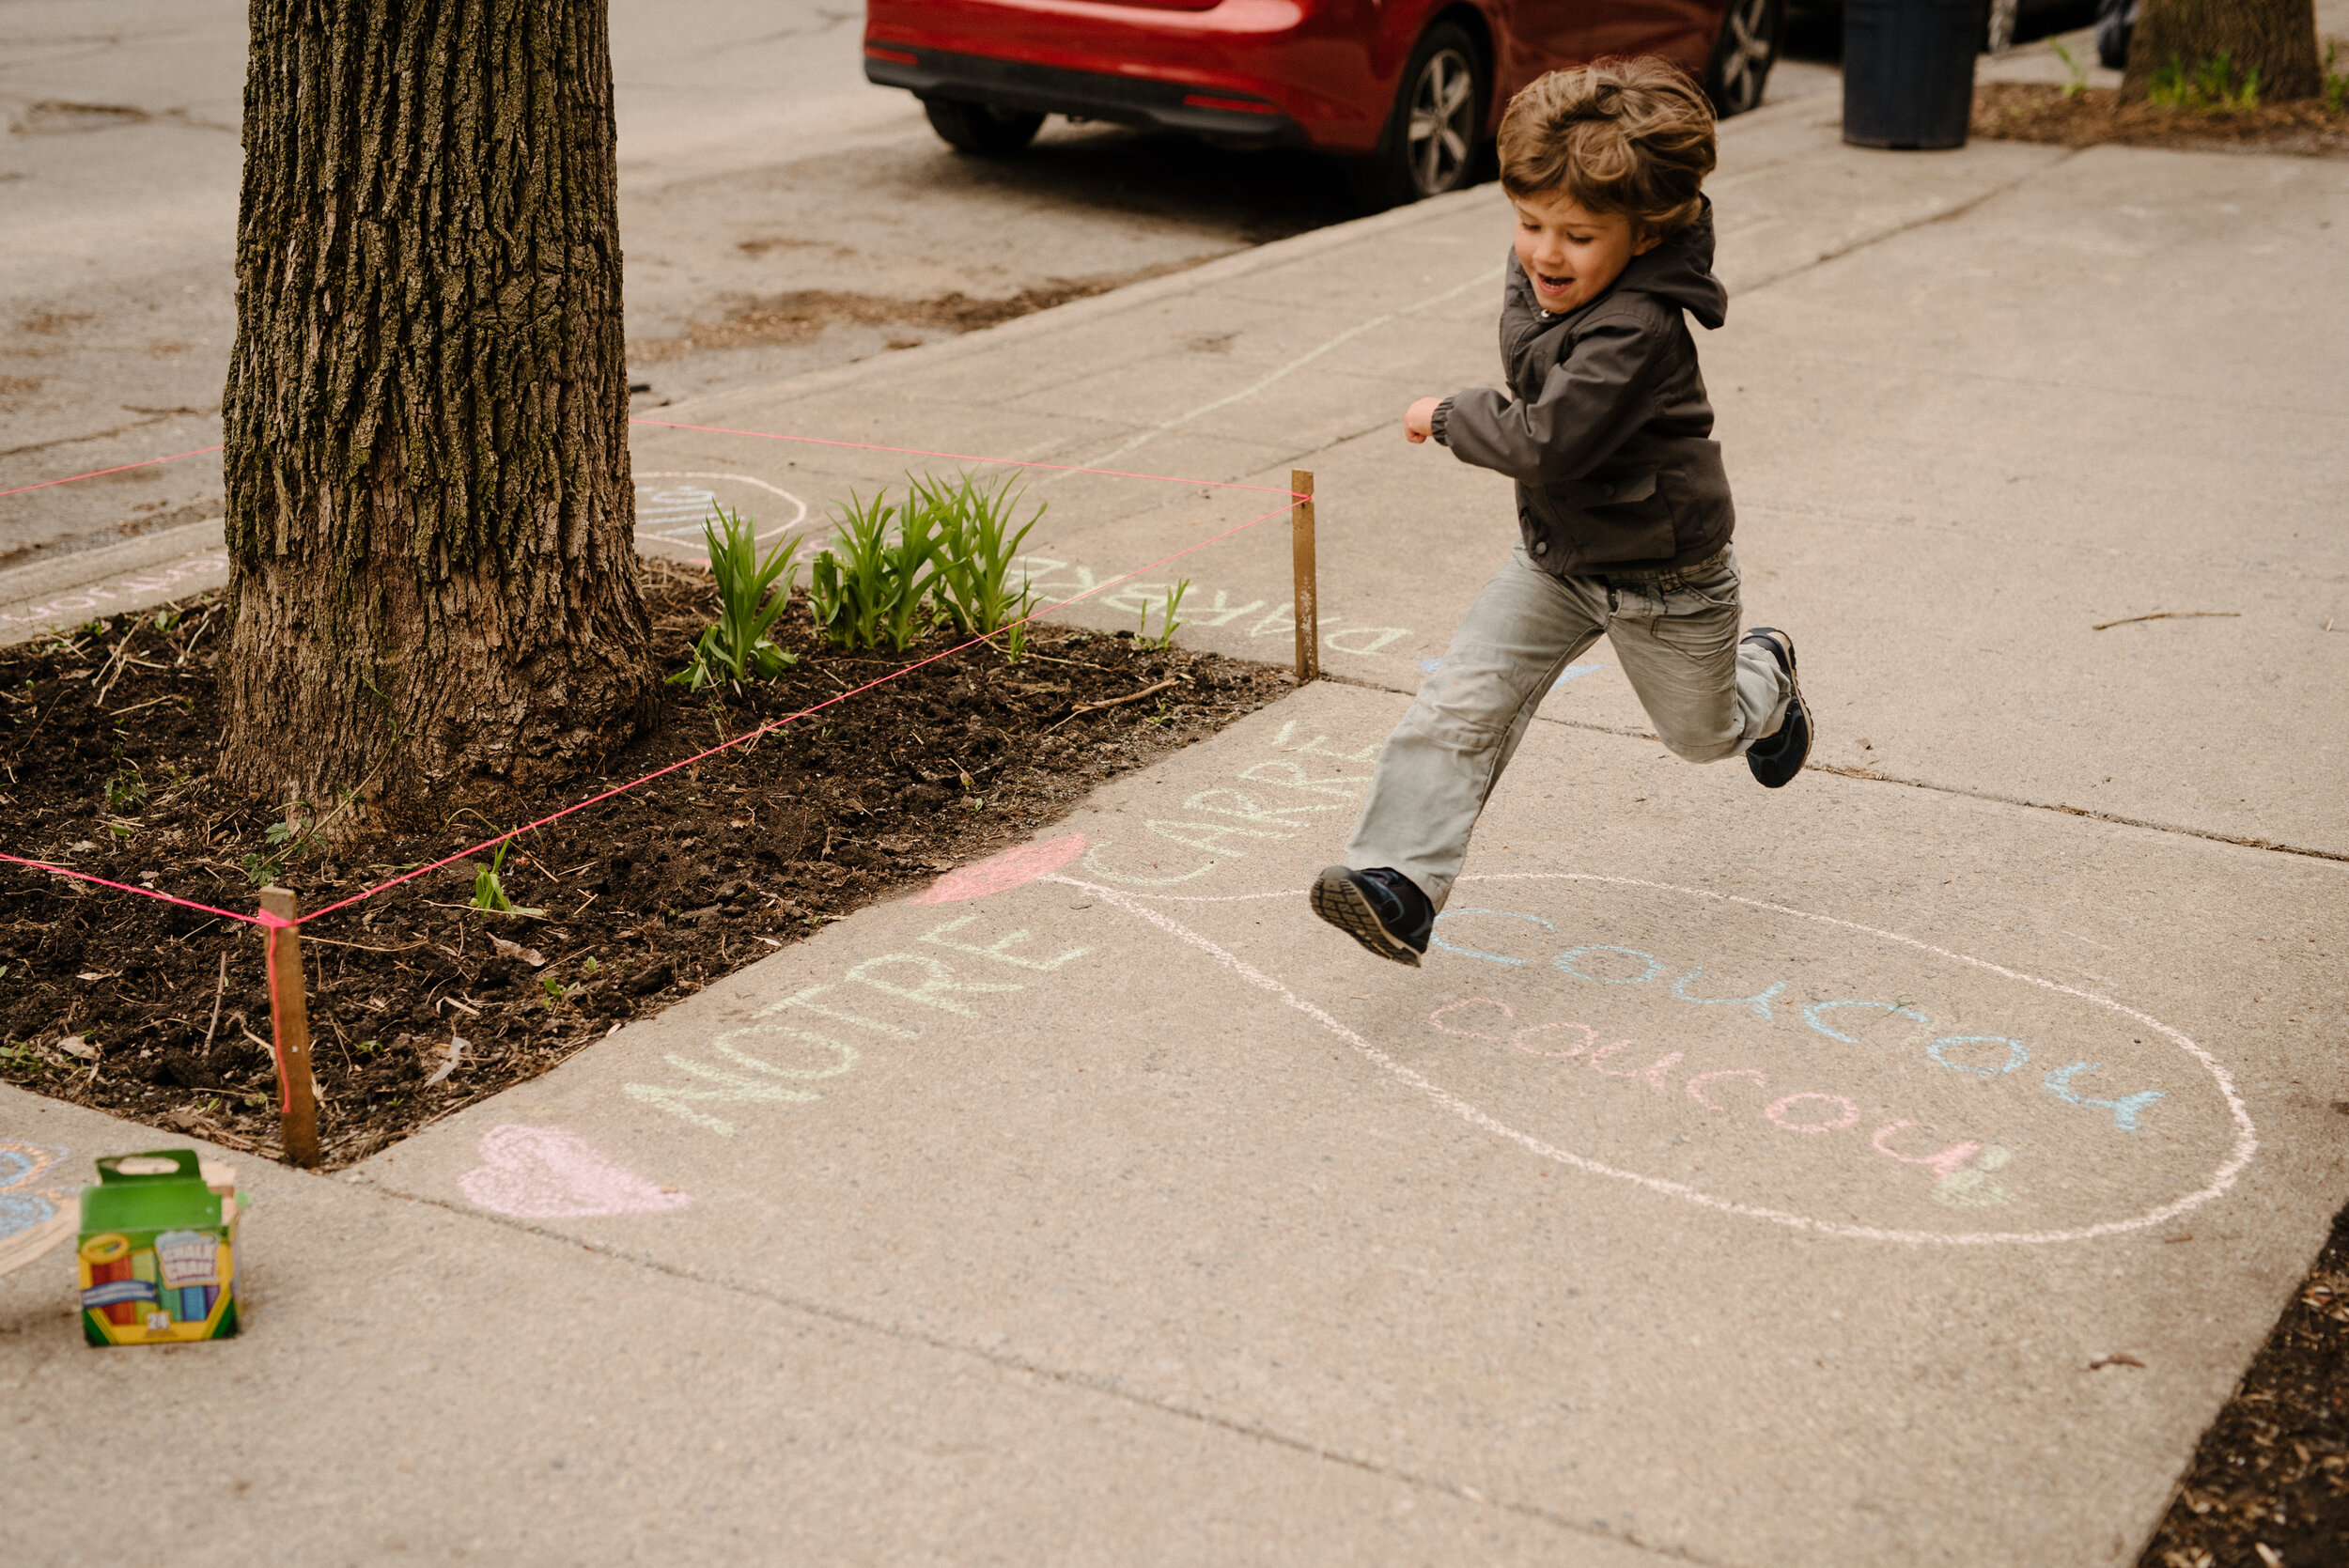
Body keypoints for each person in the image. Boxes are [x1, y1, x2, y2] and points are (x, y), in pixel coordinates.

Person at [1311, 57, 1812, 967]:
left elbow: (1547, 440)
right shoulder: (1551, 269)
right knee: (1461, 699)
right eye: (1529, 222)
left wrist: (1450, 414)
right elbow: (1535, 323)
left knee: (1701, 736)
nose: (1543, 252)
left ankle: (1766, 680)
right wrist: (1552, 228)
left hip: (1666, 578)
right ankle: (1397, 883)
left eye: (1576, 235)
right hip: (1554, 557)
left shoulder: (1640, 328)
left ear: (1647, 232)